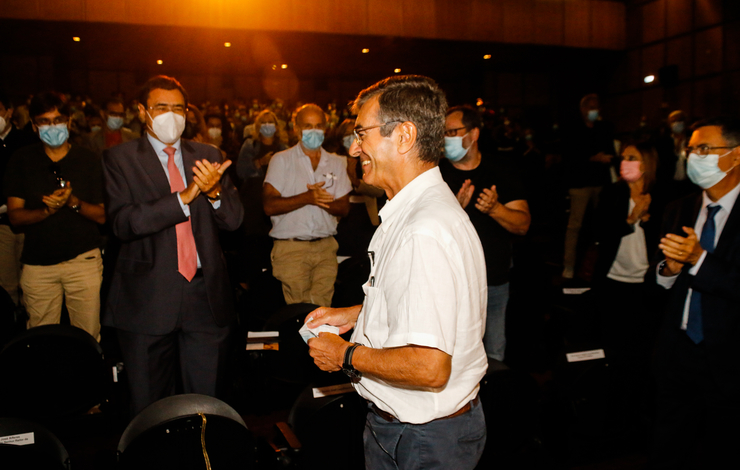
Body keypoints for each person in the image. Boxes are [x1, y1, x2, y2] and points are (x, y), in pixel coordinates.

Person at [306, 75, 487, 470]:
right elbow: (427, 303)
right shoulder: (418, 211)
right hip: (421, 431)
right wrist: (355, 314)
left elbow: (428, 366)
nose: (354, 148)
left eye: (361, 134)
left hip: (422, 438)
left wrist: (345, 354)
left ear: (404, 135)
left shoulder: (422, 229)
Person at [102, 75, 243, 416]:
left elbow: (235, 220)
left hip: (204, 298)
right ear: (142, 112)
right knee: (150, 409)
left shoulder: (208, 154)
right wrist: (183, 198)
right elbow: (123, 223)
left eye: (178, 108)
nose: (171, 115)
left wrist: (213, 193)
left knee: (207, 404)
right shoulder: (119, 158)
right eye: (161, 107)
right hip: (147, 299)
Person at [652, 117, 740, 468]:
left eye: (705, 149)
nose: (694, 156)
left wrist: (698, 259)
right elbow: (656, 287)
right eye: (691, 149)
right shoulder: (679, 209)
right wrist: (667, 272)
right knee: (668, 447)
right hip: (679, 354)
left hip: (731, 359)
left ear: (735, 156)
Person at [3, 91, 106, 339]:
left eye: (58, 120)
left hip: (83, 262)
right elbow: (15, 217)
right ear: (35, 126)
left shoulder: (88, 160)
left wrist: (73, 202)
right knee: (40, 338)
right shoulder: (22, 160)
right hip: (38, 266)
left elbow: (103, 216)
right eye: (45, 122)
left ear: (69, 122)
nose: (53, 126)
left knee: (87, 336)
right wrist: (46, 211)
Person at [440, 105, 530, 363]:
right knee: (454, 358)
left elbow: (522, 224)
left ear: (474, 134)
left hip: (494, 281)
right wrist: (455, 210)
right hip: (451, 285)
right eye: (444, 133)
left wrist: (495, 209)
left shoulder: (500, 168)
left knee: (493, 355)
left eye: (453, 131)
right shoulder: (436, 174)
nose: (447, 139)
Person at [262, 104, 351, 307]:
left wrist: (318, 199)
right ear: (296, 128)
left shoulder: (337, 162)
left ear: (326, 128)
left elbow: (344, 208)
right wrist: (307, 197)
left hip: (326, 247)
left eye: (318, 125)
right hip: (291, 248)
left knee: (322, 311)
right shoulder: (281, 160)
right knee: (298, 313)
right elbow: (269, 205)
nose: (314, 131)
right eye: (308, 125)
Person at [561, 93, 616, 281]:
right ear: (583, 109)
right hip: (579, 183)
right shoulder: (572, 129)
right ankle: (568, 265)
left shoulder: (604, 128)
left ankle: (598, 265)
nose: (595, 111)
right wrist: (592, 158)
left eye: (597, 107)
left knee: (602, 224)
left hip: (601, 183)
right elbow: (569, 157)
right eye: (591, 107)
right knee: (575, 226)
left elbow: (611, 152)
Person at [0, 92, 38, 306]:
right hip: (3, 224)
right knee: (7, 282)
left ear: (9, 112)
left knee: (31, 281)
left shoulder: (27, 141)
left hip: (29, 219)